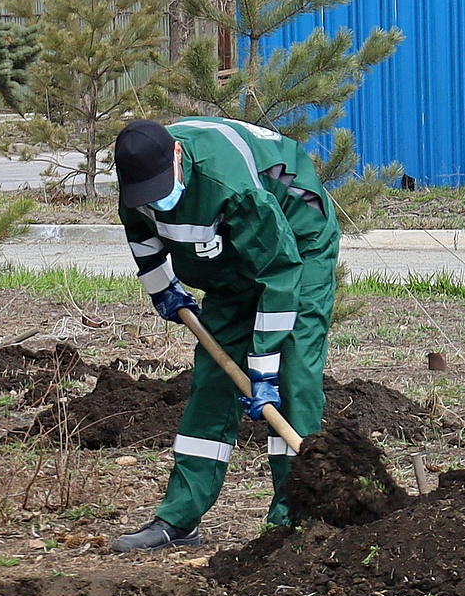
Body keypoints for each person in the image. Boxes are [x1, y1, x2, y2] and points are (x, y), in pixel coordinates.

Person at [107, 116, 340, 552]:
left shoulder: (230, 185)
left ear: (178, 155)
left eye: (162, 191)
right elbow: (141, 235)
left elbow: (278, 270)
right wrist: (164, 291)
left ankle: (295, 518)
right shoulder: (139, 183)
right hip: (229, 259)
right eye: (147, 196)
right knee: (215, 376)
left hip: (296, 247)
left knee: (294, 375)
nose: (157, 203)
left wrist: (264, 371)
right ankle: (180, 518)